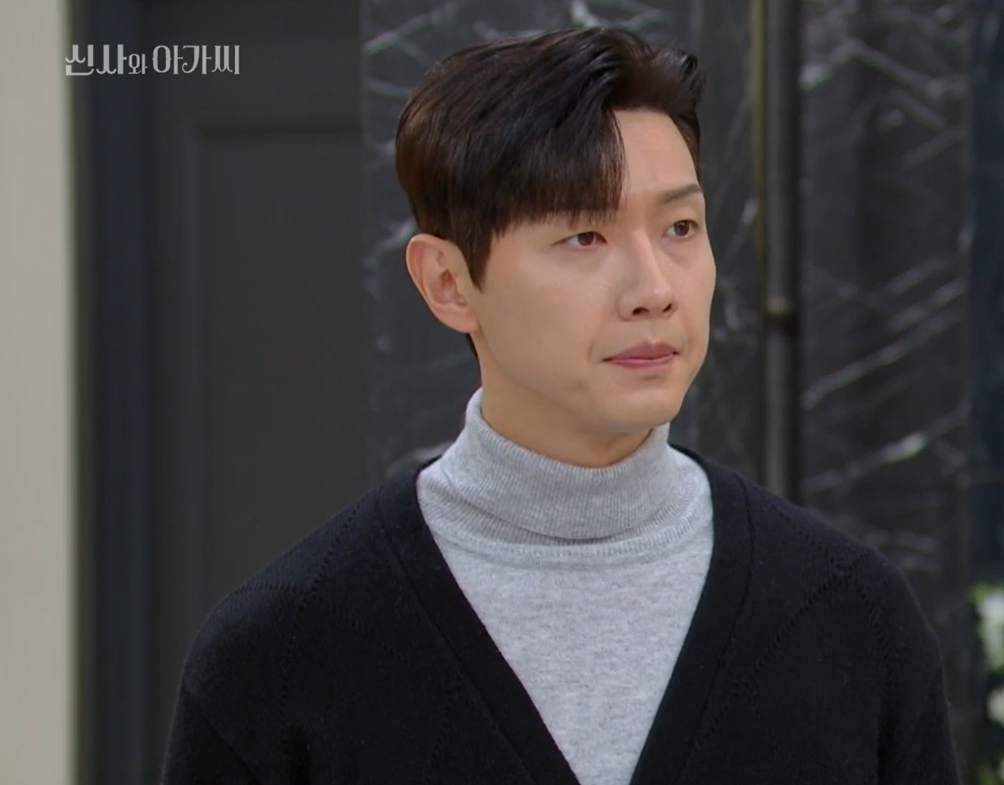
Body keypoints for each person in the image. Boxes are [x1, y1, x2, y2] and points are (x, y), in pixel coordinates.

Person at [160, 26, 959, 785]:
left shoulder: (848, 617)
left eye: (680, 226)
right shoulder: (285, 653)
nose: (654, 289)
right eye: (584, 237)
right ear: (448, 282)